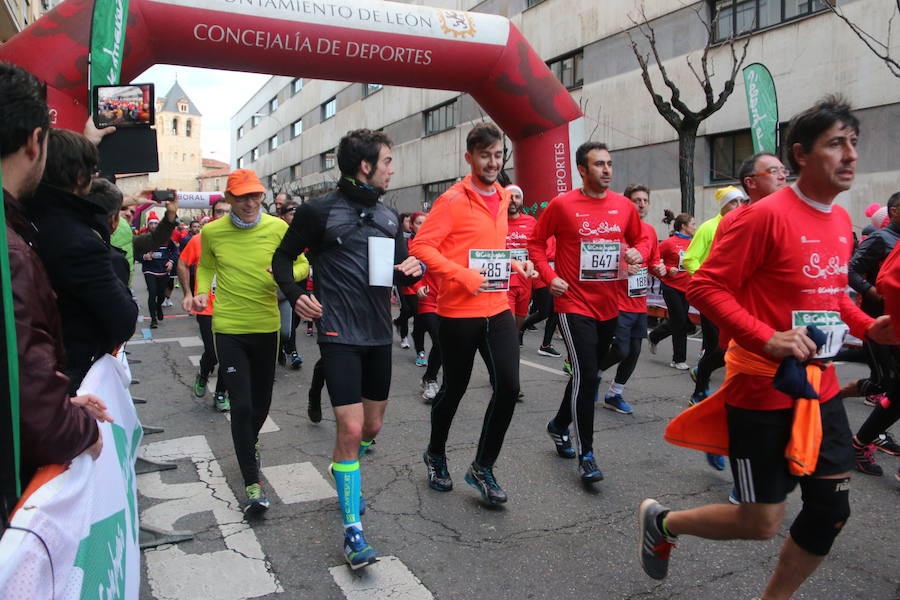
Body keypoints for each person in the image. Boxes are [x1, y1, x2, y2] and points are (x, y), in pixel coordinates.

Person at [638, 96, 897, 600]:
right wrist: (766, 336)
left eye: (854, 144)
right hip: (761, 388)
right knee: (760, 521)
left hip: (818, 390)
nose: (850, 156)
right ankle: (664, 523)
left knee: (831, 512)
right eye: (835, 144)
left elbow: (827, 296)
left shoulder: (840, 223)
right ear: (802, 154)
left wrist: (870, 326)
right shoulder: (760, 218)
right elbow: (704, 287)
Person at [272, 129, 421, 569]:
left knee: (370, 429)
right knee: (351, 430)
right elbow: (282, 259)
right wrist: (295, 292)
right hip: (337, 334)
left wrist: (413, 268)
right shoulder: (319, 212)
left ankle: (344, 473)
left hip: (378, 335)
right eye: (388, 161)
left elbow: (397, 273)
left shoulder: (390, 217)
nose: (393, 169)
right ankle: (352, 529)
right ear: (365, 166)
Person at [0, 62, 111, 524]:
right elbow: (37, 416)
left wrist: (58, 400)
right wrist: (78, 426)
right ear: (34, 142)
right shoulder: (12, 253)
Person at [411, 123, 534, 504]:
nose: (493, 162)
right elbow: (421, 247)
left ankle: (483, 467)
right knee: (455, 389)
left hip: (496, 308)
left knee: (509, 387)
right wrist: (462, 275)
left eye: (498, 155)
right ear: (470, 158)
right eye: (485, 156)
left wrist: (514, 263)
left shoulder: (500, 196)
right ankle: (435, 454)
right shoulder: (452, 200)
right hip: (458, 312)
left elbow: (485, 248)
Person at [529, 141, 650, 482]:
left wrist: (638, 253)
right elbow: (536, 243)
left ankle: (558, 424)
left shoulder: (623, 206)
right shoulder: (562, 204)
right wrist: (549, 277)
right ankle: (587, 455)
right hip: (573, 302)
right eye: (599, 164)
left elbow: (642, 240)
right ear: (582, 169)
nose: (607, 170)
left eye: (610, 163)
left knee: (588, 373)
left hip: (609, 303)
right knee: (588, 376)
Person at [193, 169, 309, 515]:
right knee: (241, 407)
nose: (249, 202)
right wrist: (201, 293)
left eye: (255, 195)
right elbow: (204, 267)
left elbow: (303, 264)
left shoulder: (277, 228)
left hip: (266, 326)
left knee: (260, 407)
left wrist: (284, 275)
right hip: (228, 327)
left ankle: (249, 440)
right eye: (242, 196)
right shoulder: (212, 232)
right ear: (228, 199)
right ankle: (252, 483)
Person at [27, 129, 138, 392]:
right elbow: (123, 320)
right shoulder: (81, 242)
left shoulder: (25, 214)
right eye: (93, 173)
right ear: (80, 178)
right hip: (68, 379)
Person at [596, 184, 665, 413]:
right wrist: (624, 268)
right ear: (627, 203)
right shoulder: (614, 229)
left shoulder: (650, 231)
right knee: (620, 350)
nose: (642, 204)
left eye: (645, 200)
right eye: (637, 200)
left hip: (638, 302)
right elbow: (598, 261)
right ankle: (593, 373)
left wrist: (661, 268)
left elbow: (653, 262)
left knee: (634, 350)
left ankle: (615, 394)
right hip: (617, 301)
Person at [683, 185, 745, 414]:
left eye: (741, 202)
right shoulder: (709, 227)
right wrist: (709, 283)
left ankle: (701, 372)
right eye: (733, 202)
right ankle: (698, 393)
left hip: (736, 297)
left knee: (732, 347)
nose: (738, 207)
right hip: (712, 296)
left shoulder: (745, 225)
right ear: (723, 205)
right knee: (718, 348)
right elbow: (690, 259)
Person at [178, 198, 231, 412]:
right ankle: (203, 373)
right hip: (206, 306)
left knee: (228, 353)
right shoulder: (200, 240)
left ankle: (220, 393)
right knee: (213, 351)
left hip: (233, 307)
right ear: (212, 215)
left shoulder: (241, 240)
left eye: (228, 212)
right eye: (219, 212)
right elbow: (182, 263)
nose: (224, 216)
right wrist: (188, 293)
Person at [648, 212, 695, 367]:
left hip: (687, 288)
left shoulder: (694, 243)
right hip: (671, 287)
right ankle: (678, 359)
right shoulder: (669, 243)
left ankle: (655, 335)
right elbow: (653, 260)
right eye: (692, 224)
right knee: (680, 321)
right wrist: (668, 269)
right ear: (684, 226)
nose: (695, 227)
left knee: (679, 321)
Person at [276, 200, 303, 369]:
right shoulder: (276, 232)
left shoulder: (304, 231)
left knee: (296, 319)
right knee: (287, 326)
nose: (295, 217)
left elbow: (306, 260)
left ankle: (284, 345)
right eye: (292, 213)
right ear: (283, 216)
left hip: (301, 282)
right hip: (280, 286)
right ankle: (291, 350)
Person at [141, 213, 179, 329]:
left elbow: (175, 251)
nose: (153, 226)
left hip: (163, 270)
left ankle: (158, 306)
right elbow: (135, 253)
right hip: (149, 270)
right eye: (151, 223)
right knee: (152, 293)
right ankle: (153, 320)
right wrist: (144, 256)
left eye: (155, 223)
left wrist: (171, 262)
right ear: (148, 225)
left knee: (161, 294)